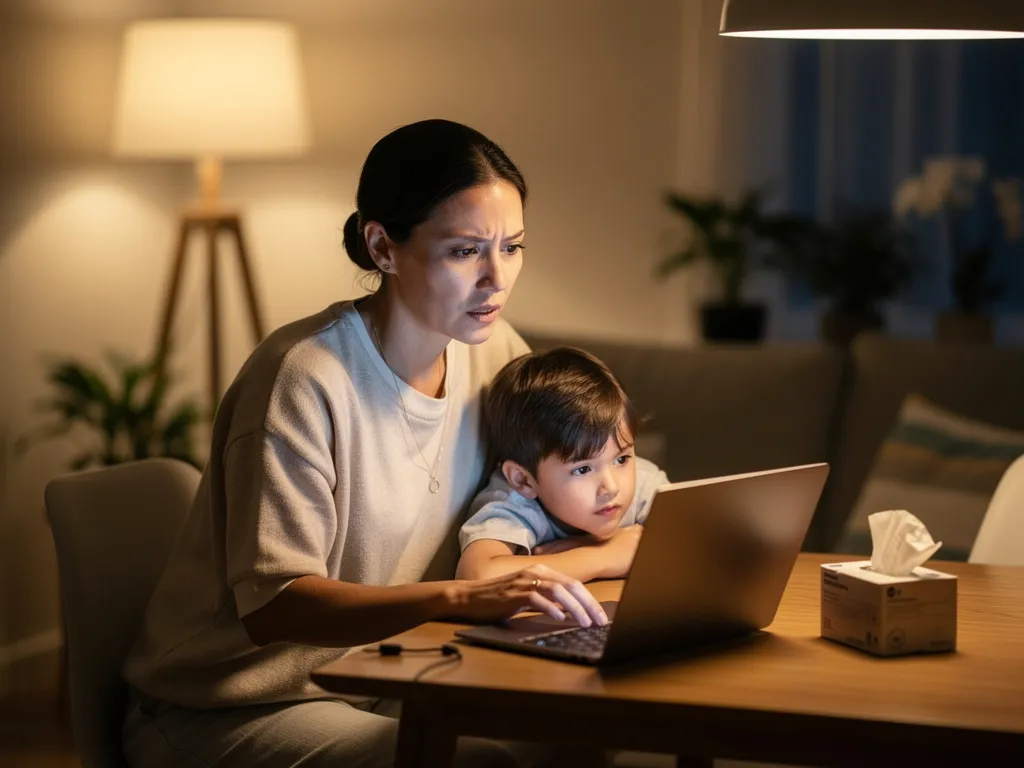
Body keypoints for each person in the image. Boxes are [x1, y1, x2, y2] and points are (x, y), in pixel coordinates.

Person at [121, 119, 610, 768]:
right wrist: (464, 597)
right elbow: (276, 608)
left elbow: (561, 487)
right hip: (231, 705)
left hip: (383, 680)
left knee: (579, 740)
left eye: (513, 246)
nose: (498, 277)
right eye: (465, 251)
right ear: (382, 246)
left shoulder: (496, 354)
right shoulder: (302, 377)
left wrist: (632, 535)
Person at [457, 347, 669, 587]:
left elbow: (700, 545)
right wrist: (603, 555)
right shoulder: (514, 501)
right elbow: (477, 575)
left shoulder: (644, 482)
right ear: (523, 480)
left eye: (621, 459)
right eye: (582, 469)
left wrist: (584, 547)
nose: (611, 487)